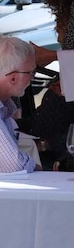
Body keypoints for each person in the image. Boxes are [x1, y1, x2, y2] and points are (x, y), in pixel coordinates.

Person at [0, 37, 38, 174]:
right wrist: (35, 165)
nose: (32, 78)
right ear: (13, 78)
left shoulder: (4, 108)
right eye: (31, 73)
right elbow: (15, 166)